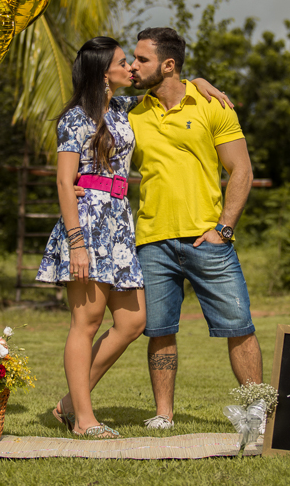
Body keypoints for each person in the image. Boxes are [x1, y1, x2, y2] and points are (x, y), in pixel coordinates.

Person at [36, 36, 229, 439]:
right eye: (124, 62)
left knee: (133, 321)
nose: (132, 68)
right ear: (103, 73)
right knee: (86, 322)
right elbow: (63, 181)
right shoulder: (75, 117)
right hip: (88, 223)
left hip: (120, 224)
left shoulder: (123, 108)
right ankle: (84, 420)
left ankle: (69, 404)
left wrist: (199, 81)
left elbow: (170, 86)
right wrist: (76, 243)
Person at [127, 26, 262, 431]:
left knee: (238, 326)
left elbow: (242, 170)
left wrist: (224, 229)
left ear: (168, 65)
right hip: (152, 240)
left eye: (142, 59)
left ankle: (257, 411)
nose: (133, 66)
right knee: (160, 330)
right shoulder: (130, 112)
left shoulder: (212, 105)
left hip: (208, 239)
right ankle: (163, 414)